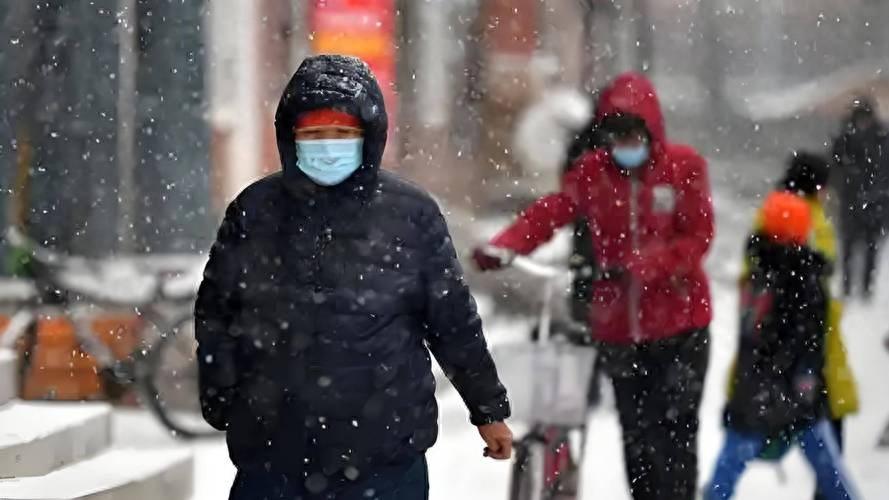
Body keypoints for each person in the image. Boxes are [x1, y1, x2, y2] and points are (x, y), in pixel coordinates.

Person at [195, 54, 512, 500]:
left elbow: (452, 321)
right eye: (314, 133)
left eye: (343, 133)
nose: (329, 146)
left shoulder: (411, 215)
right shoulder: (255, 211)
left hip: (385, 454)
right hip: (273, 451)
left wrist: (487, 408)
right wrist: (222, 394)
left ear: (369, 137)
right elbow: (217, 312)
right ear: (290, 138)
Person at [474, 72, 714, 500]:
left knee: (675, 435)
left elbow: (698, 236)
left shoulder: (683, 168)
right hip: (619, 328)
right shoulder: (592, 173)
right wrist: (506, 246)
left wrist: (651, 264)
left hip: (681, 328)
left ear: (651, 130)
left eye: (633, 135)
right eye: (616, 136)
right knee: (637, 438)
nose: (625, 146)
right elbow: (551, 212)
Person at [706, 192, 860, 500]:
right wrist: (804, 386)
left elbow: (751, 337)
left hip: (754, 390)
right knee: (829, 469)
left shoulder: (758, 273)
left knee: (728, 466)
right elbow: (811, 341)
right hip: (798, 392)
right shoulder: (807, 278)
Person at [831, 97, 889, 299]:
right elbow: (836, 165)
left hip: (875, 204)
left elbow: (883, 171)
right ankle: (849, 287)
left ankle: (865, 288)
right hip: (853, 201)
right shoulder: (846, 138)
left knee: (870, 249)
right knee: (849, 247)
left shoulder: (881, 139)